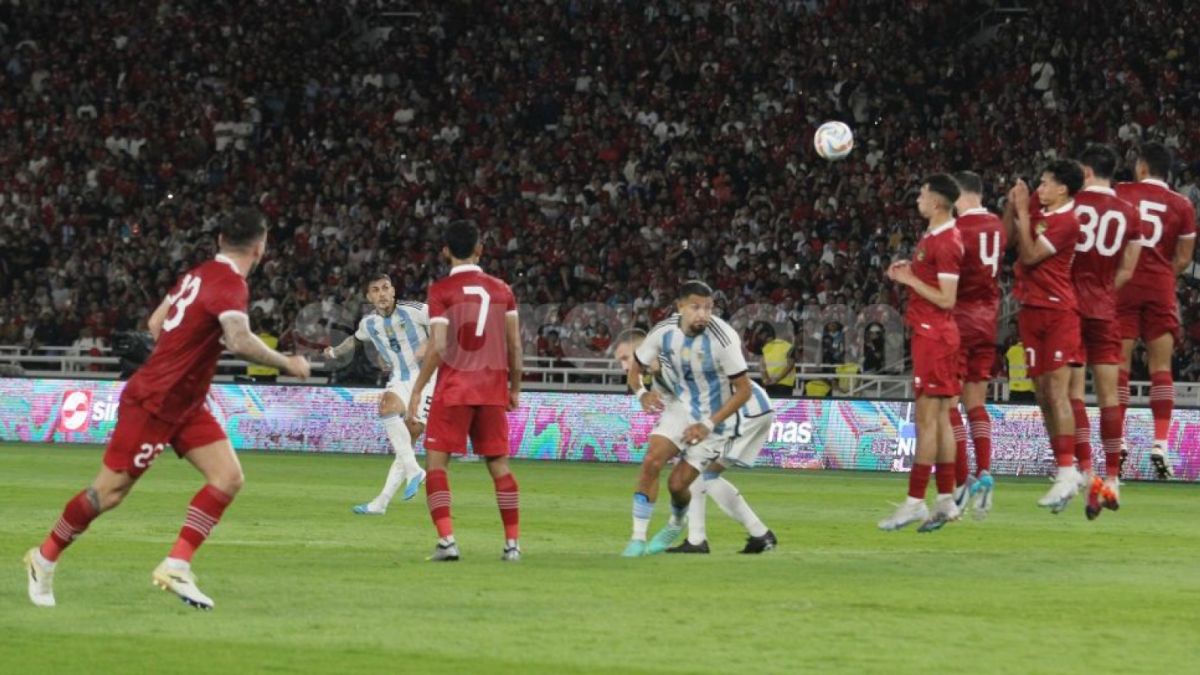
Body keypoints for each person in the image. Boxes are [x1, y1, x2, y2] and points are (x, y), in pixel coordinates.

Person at [23, 208, 310, 610]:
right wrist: (288, 363)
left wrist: (182, 358)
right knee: (108, 493)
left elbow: (156, 324)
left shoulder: (197, 274)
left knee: (227, 477)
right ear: (261, 247)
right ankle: (44, 556)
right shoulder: (229, 284)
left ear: (219, 241)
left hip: (184, 403)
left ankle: (176, 564)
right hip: (155, 402)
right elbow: (240, 340)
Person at [407, 220, 522, 562]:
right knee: (499, 465)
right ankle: (512, 544)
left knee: (437, 464)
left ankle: (447, 542)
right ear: (480, 249)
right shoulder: (502, 289)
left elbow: (439, 345)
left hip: (454, 389)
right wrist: (514, 387)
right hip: (491, 389)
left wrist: (417, 389)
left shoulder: (441, 290)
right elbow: (514, 344)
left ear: (445, 250)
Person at [622, 281, 757, 556]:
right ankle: (637, 539)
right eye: (695, 307)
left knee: (677, 485)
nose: (703, 315)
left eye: (708, 308)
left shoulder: (724, 339)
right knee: (651, 461)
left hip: (716, 420)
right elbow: (635, 369)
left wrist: (708, 424)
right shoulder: (663, 331)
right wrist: (642, 394)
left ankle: (675, 522)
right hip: (681, 408)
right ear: (680, 307)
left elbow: (744, 391)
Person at [877, 175, 964, 533]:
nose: (918, 198)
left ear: (938, 203)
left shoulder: (947, 241)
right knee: (940, 420)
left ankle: (914, 501)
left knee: (927, 421)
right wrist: (910, 272)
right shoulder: (934, 236)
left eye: (924, 194)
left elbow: (947, 298)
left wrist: (910, 281)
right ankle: (946, 498)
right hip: (934, 336)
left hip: (935, 336)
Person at [1004, 161, 1085, 513]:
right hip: (1031, 309)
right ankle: (1063, 469)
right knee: (1041, 395)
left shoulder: (1069, 221)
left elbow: (1032, 254)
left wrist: (1022, 210)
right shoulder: (1038, 206)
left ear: (1063, 189)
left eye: (1046, 182)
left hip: (1058, 312)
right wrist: (1012, 206)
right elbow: (1009, 240)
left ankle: (1068, 472)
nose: (1040, 187)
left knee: (1057, 390)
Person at [1115, 142, 1197, 480]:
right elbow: (1184, 257)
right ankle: (1160, 443)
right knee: (1160, 367)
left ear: (1143, 167)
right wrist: (1164, 274)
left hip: (1124, 282)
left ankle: (1116, 441)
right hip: (1160, 285)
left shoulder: (1121, 193)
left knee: (1117, 365)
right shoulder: (1183, 204)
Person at [1070, 145, 1141, 518]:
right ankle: (1113, 478)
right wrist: (1104, 292)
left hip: (1070, 306)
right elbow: (1129, 269)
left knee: (1073, 394)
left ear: (1084, 171)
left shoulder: (1072, 205)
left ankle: (1089, 473)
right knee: (1110, 395)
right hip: (1105, 307)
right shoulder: (1129, 212)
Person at [324, 272, 431, 515]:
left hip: (429, 378)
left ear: (393, 291)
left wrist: (429, 343)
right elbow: (355, 340)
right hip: (401, 378)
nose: (381, 293)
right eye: (375, 290)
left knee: (410, 435)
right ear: (368, 297)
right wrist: (334, 352)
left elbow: (445, 323)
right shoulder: (369, 323)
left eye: (385, 288)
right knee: (386, 409)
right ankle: (414, 472)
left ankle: (381, 502)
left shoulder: (415, 310)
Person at [947, 171, 1005, 519]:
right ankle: (985, 472)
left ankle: (960, 482)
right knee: (976, 404)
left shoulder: (957, 231)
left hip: (959, 324)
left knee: (948, 405)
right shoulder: (997, 225)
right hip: (988, 324)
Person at [757, 323, 797, 398]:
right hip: (785, 385)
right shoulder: (789, 347)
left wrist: (765, 379)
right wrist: (777, 379)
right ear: (784, 332)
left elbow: (762, 365)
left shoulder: (766, 346)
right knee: (783, 408)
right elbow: (790, 365)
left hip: (769, 384)